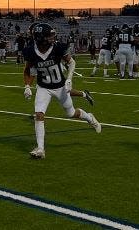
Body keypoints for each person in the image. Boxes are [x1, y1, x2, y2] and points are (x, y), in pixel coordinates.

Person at [23, 23, 101, 159]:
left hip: (60, 87)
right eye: (49, 36)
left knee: (71, 113)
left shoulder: (57, 48)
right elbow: (29, 70)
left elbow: (72, 62)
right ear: (41, 38)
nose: (53, 38)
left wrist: (69, 78)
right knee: (39, 114)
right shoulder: (30, 51)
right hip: (43, 88)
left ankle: (89, 117)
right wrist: (27, 86)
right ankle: (40, 149)